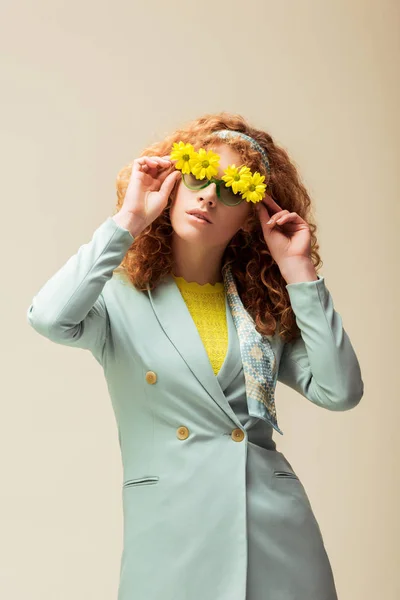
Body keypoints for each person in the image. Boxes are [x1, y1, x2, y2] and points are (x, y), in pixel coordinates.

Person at [27, 112, 364, 600]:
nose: (209, 195)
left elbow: (340, 391)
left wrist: (299, 271)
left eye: (231, 190)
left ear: (251, 217)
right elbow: (49, 318)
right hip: (173, 529)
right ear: (176, 181)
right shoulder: (118, 298)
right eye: (200, 176)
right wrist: (129, 220)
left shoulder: (261, 309)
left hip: (273, 530)